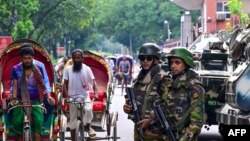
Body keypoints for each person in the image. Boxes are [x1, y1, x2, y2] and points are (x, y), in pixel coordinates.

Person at [156, 47, 205, 140]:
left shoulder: (194, 87)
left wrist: (184, 139)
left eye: (177, 62)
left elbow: (197, 122)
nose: (173, 66)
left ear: (186, 64)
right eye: (171, 62)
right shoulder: (169, 83)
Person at [10, 44, 55, 141]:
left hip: (36, 98)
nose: (27, 61)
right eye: (25, 58)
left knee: (38, 120)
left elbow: (45, 82)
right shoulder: (16, 68)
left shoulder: (40, 66)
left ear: (33, 57)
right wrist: (14, 98)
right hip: (20, 98)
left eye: (29, 58)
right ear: (21, 58)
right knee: (16, 121)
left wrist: (49, 95)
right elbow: (14, 85)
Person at [123, 43, 167, 140]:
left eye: (149, 58)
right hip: (139, 127)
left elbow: (169, 106)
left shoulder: (163, 79)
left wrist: (150, 120)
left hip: (156, 131)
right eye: (142, 58)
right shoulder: (138, 79)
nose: (145, 61)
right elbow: (132, 101)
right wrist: (127, 108)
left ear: (156, 60)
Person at [63, 49, 99, 141]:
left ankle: (88, 125)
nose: (76, 60)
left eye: (78, 57)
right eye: (74, 58)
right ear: (72, 59)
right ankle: (73, 137)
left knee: (88, 109)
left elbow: (94, 82)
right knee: (72, 120)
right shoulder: (67, 70)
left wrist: (95, 93)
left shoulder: (87, 69)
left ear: (82, 58)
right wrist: (67, 96)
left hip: (84, 95)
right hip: (72, 97)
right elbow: (65, 84)